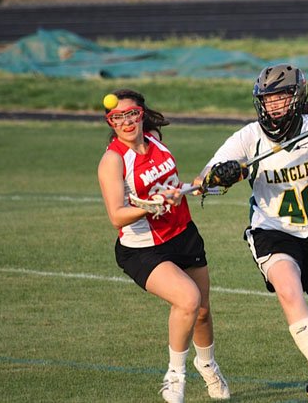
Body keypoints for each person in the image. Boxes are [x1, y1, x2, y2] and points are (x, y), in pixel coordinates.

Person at [194, 64, 308, 402]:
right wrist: (220, 175)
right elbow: (203, 179)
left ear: (296, 96)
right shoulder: (249, 137)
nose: (273, 105)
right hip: (272, 229)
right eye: (267, 99)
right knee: (289, 289)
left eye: (281, 97)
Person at [96, 89, 230, 402]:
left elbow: (171, 185)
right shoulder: (112, 160)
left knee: (203, 313)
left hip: (182, 233)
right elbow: (117, 216)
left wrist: (197, 186)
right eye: (119, 117)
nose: (126, 121)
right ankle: (175, 378)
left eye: (132, 114)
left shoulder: (155, 137)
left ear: (141, 114)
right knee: (187, 299)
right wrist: (150, 205)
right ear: (110, 121)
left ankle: (208, 366)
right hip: (143, 248)